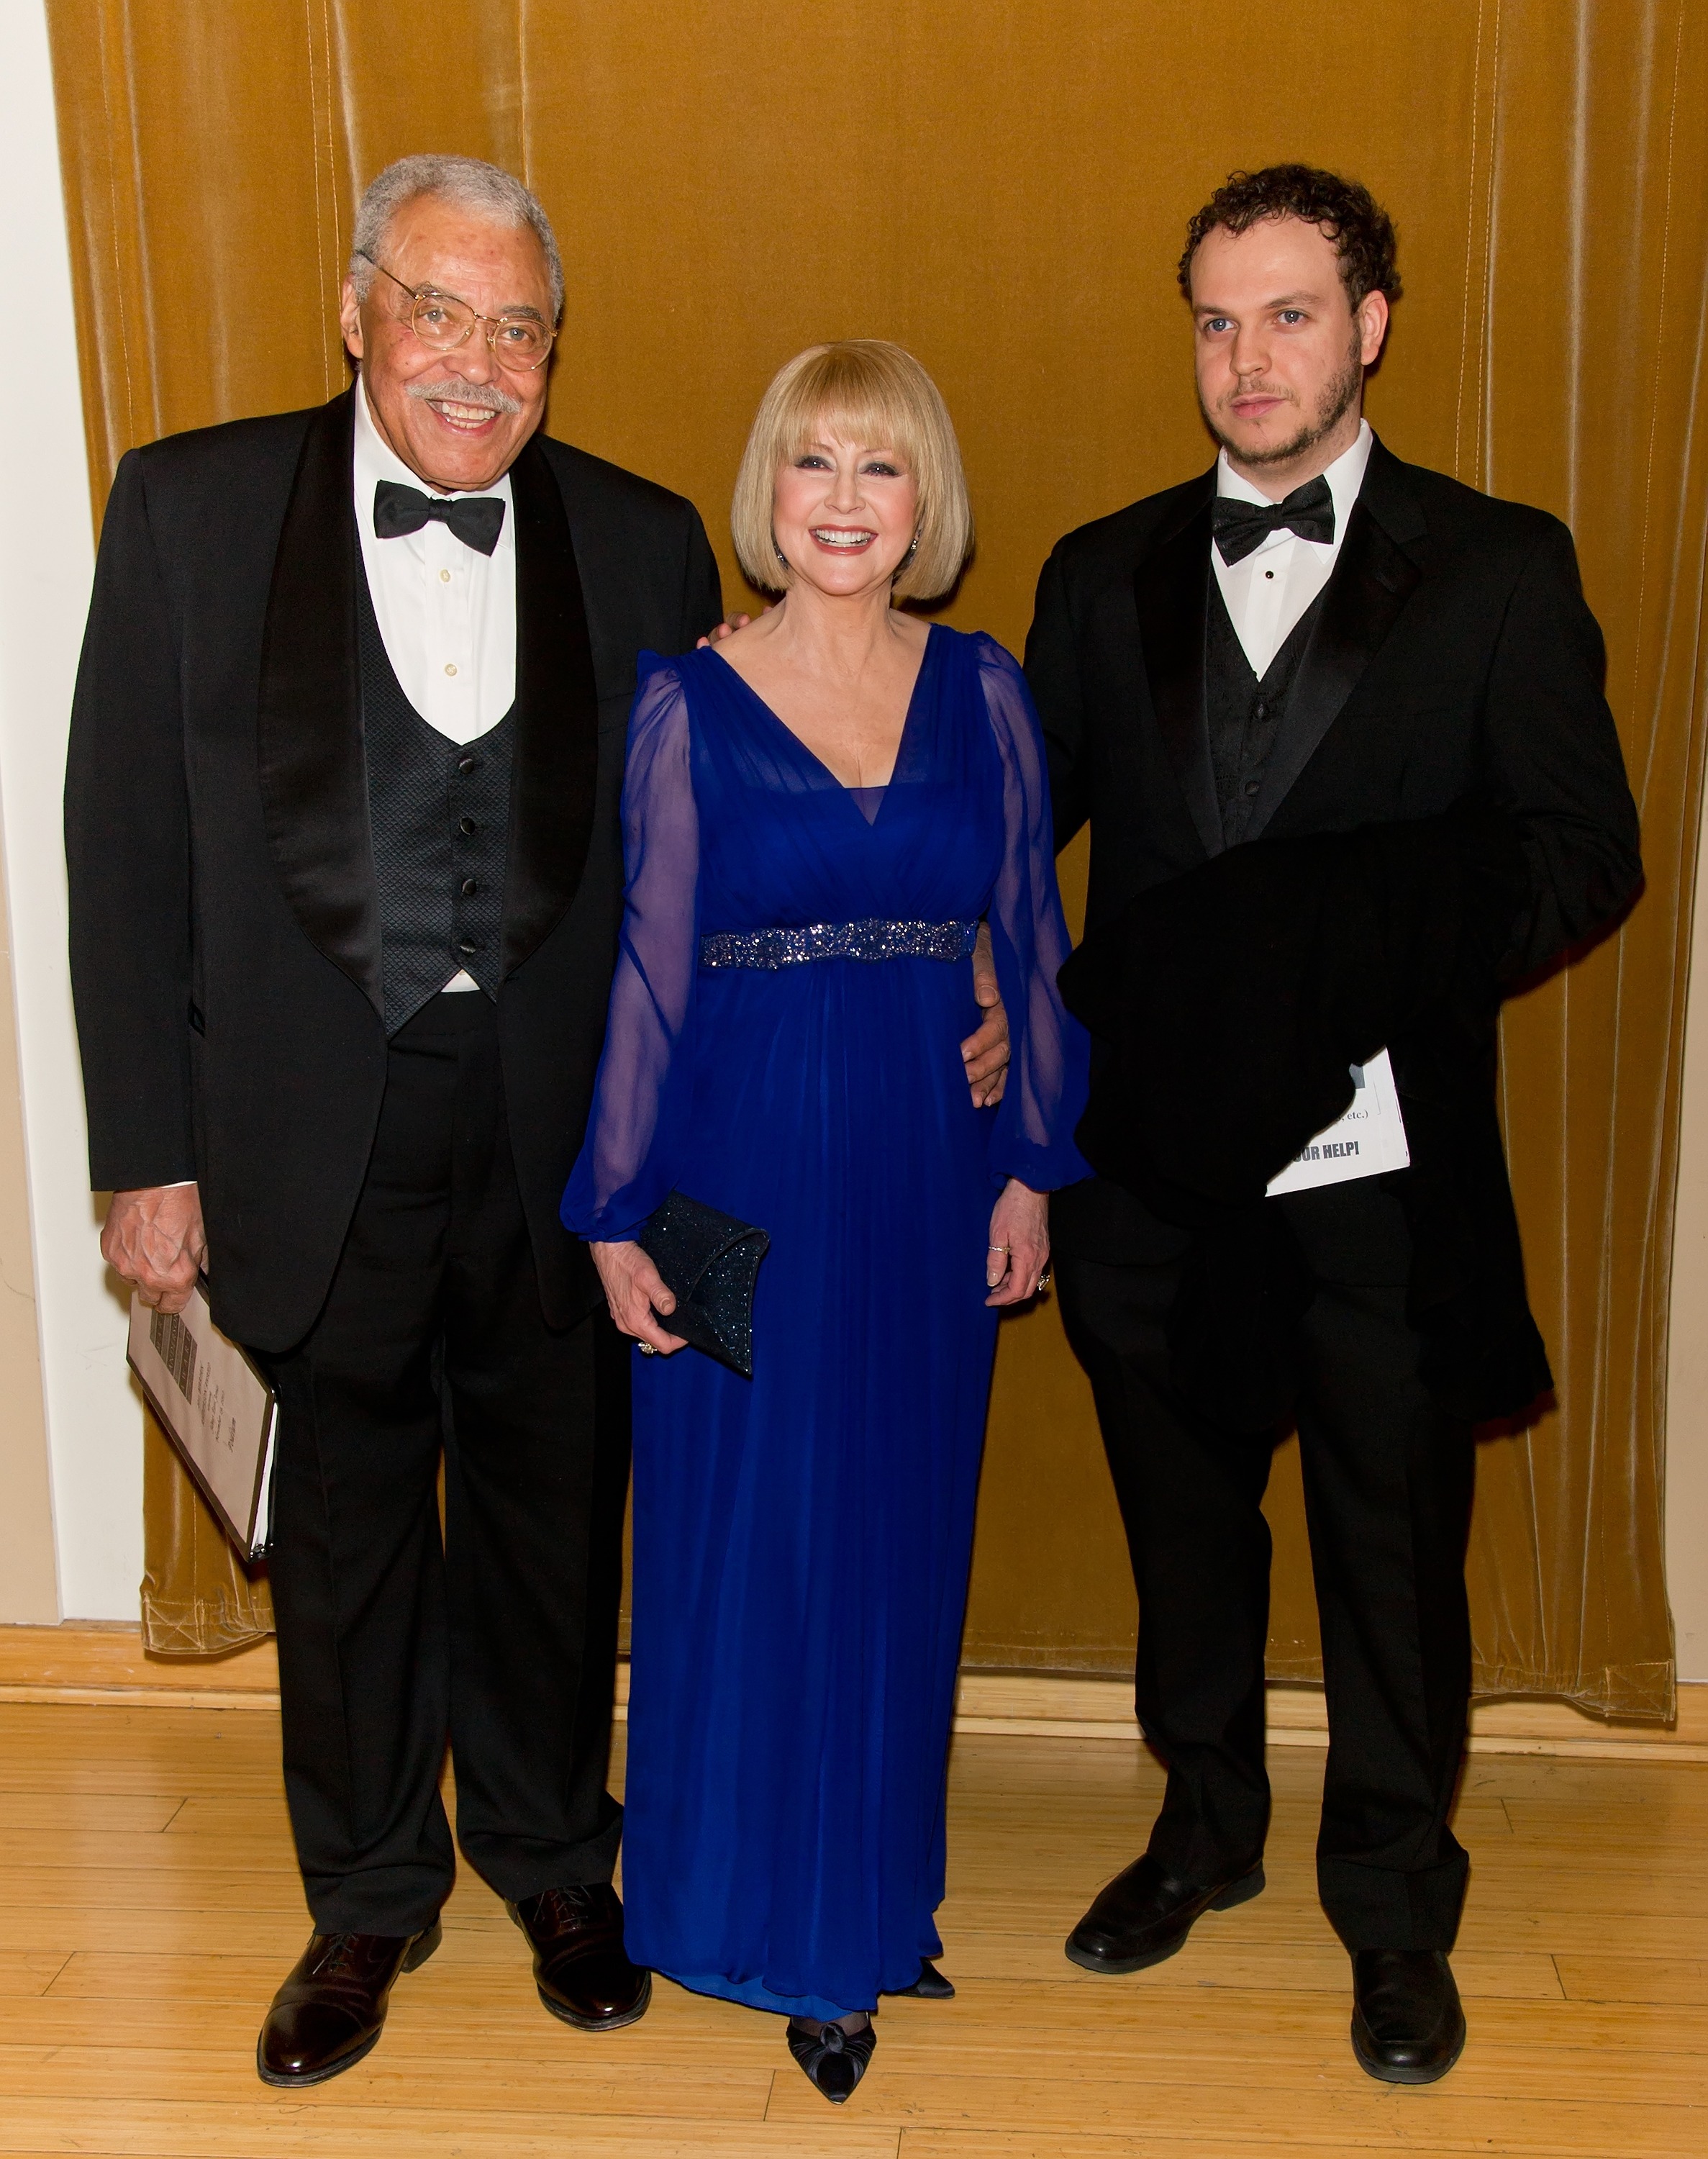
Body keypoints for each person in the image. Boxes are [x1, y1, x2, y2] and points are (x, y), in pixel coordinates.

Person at [63, 151, 1007, 2089]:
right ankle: (365, 1899)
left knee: (551, 1518)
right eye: (435, 311)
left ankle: (556, 1861)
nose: (475, 363)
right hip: (295, 1133)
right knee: (335, 1539)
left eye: (517, 329)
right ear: (355, 311)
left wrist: (965, 984)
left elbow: (744, 850)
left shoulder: (646, 540)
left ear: (552, 355)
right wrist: (141, 1160)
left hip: (571, 1142)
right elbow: (121, 859)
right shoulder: (186, 507)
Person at [1025, 166, 1640, 2085]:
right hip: (1151, 1181)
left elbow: (1578, 854)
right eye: (1213, 318)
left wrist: (1351, 958)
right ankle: (1200, 1832)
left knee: (1392, 1561)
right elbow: (982, 843)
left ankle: (1390, 1901)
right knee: (1184, 1540)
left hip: (1381, 1177)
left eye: (1286, 314)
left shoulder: (1498, 566)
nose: (1245, 357)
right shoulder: (1091, 570)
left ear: (1367, 322)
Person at [563, 338, 1089, 2103]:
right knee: (743, 1539)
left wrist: (1028, 1159)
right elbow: (644, 976)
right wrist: (613, 1213)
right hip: (734, 1173)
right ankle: (755, 1919)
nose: (846, 503)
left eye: (880, 468)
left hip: (923, 1181)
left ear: (922, 499)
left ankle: (867, 1908)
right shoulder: (680, 702)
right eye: (813, 467)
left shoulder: (986, 692)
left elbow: (1027, 934)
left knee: (890, 1540)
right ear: (765, 496)